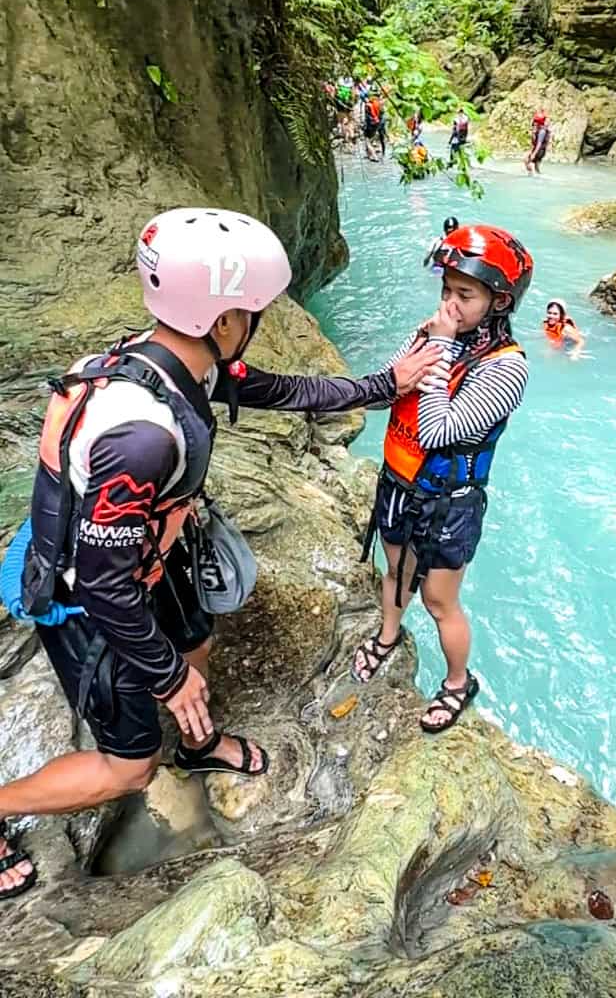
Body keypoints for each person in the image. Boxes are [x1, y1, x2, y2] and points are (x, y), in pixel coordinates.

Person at [0, 207, 441, 901]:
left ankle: (199, 743)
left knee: (198, 637)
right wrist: (168, 678)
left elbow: (279, 390)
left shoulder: (173, 360)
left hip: (150, 552)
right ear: (224, 318)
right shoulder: (141, 436)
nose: (255, 319)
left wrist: (383, 385)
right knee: (130, 769)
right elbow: (105, 584)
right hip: (84, 595)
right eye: (252, 308)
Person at [351, 224, 533, 734]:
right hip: (400, 483)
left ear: (498, 300)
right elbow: (389, 390)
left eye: (465, 294)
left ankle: (458, 682)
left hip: (449, 502)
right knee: (395, 572)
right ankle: (387, 636)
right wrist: (424, 346)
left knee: (437, 599)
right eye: (446, 291)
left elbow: (436, 430)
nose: (450, 304)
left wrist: (444, 347)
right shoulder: (433, 334)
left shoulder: (506, 368)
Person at [525, 110, 550, 175]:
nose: (534, 123)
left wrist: (533, 154)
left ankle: (531, 174)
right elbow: (534, 143)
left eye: (536, 121)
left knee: (526, 160)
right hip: (540, 150)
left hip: (540, 150)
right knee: (535, 166)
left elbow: (539, 144)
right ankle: (537, 175)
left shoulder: (542, 131)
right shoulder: (538, 130)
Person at [363, 93, 387, 161]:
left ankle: (374, 156)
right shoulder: (379, 104)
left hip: (371, 124)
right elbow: (382, 113)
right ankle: (383, 153)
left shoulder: (368, 105)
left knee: (367, 140)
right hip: (380, 123)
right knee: (381, 138)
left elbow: (367, 117)